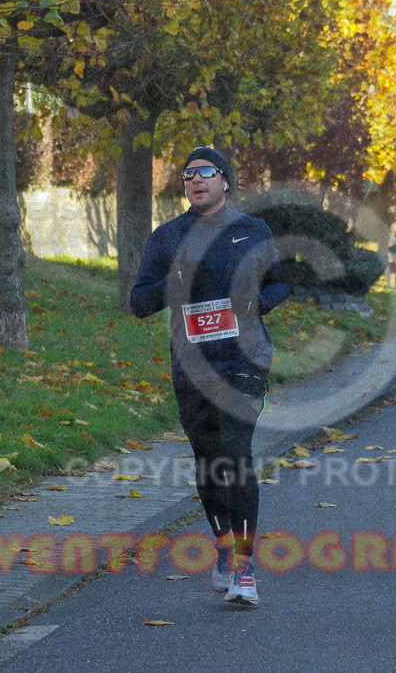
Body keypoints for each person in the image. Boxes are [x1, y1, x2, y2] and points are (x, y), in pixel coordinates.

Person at [130, 147, 290, 606]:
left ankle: (244, 566)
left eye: (204, 172)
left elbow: (280, 281)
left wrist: (255, 304)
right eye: (187, 176)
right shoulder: (167, 238)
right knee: (209, 464)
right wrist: (173, 282)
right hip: (193, 367)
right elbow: (140, 303)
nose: (195, 180)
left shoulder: (250, 230)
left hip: (245, 362)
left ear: (224, 181)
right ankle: (223, 548)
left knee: (237, 457)